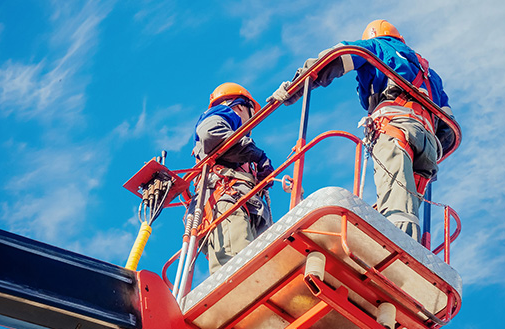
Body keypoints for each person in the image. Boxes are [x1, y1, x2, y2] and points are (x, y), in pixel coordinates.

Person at [269, 20, 455, 242]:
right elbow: (449, 129)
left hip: (396, 128)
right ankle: (412, 244)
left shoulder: (377, 46)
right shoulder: (428, 72)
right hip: (428, 145)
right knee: (408, 201)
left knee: (396, 203)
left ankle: (398, 246)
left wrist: (297, 84)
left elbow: (339, 56)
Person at [193, 82, 274, 274]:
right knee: (240, 271)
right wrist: (258, 156)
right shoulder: (225, 114)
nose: (252, 121)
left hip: (239, 211)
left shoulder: (239, 147)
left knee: (255, 272)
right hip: (229, 208)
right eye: (251, 112)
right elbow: (210, 134)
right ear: (239, 106)